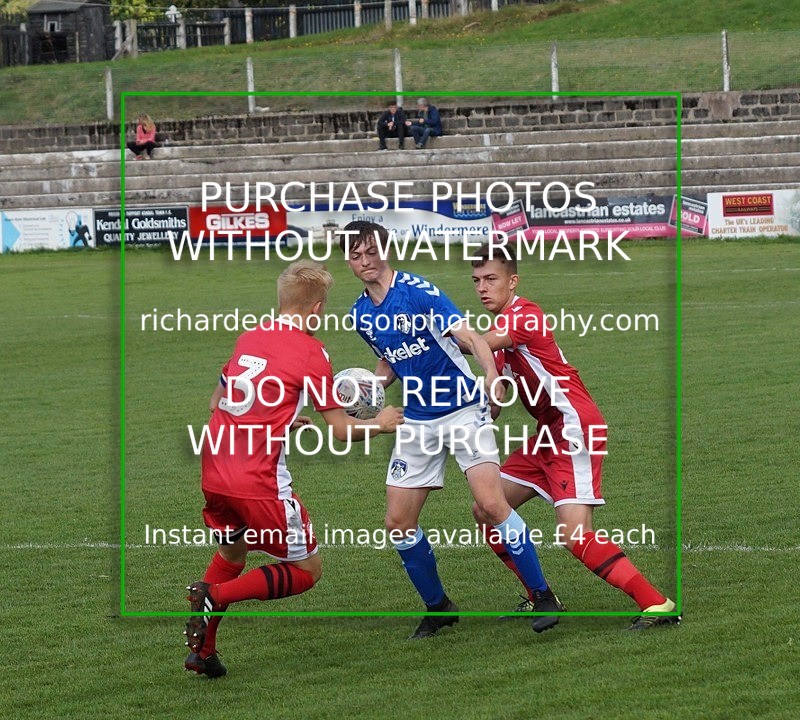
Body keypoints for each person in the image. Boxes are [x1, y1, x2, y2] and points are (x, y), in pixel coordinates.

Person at [339, 221, 563, 639]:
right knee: (398, 522)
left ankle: (542, 594)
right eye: (356, 255)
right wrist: (367, 391)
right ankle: (438, 606)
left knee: (492, 506)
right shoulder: (360, 314)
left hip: (463, 409)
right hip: (417, 419)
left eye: (371, 251)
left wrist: (493, 381)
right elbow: (391, 361)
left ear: (385, 250)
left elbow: (473, 339)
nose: (365, 261)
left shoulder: (418, 291)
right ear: (348, 260)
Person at [184, 260, 404, 678]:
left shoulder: (249, 337)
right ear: (317, 308)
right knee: (307, 571)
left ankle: (203, 651)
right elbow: (340, 431)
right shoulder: (311, 352)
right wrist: (382, 423)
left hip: (214, 467)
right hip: (257, 479)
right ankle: (214, 594)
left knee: (232, 552)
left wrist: (281, 417)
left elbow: (218, 402)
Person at [467, 243, 680, 631]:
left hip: (574, 428)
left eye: (491, 279)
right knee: (487, 508)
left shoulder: (525, 316)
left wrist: (437, 337)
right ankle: (540, 596)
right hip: (547, 434)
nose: (482, 287)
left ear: (513, 282)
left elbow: (484, 342)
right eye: (477, 280)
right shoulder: (496, 343)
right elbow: (495, 400)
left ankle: (657, 603)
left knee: (573, 533)